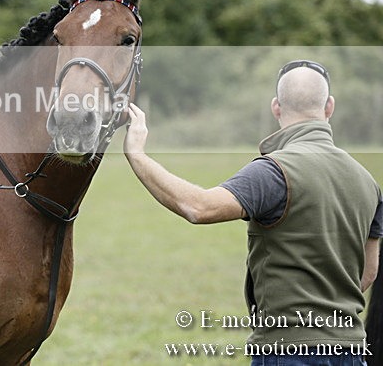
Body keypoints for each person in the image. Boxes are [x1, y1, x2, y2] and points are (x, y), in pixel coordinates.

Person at [123, 59, 382, 365]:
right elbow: (367, 273)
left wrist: (137, 155)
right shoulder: (369, 182)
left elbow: (199, 207)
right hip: (352, 351)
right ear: (329, 107)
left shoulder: (274, 172)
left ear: (276, 107)